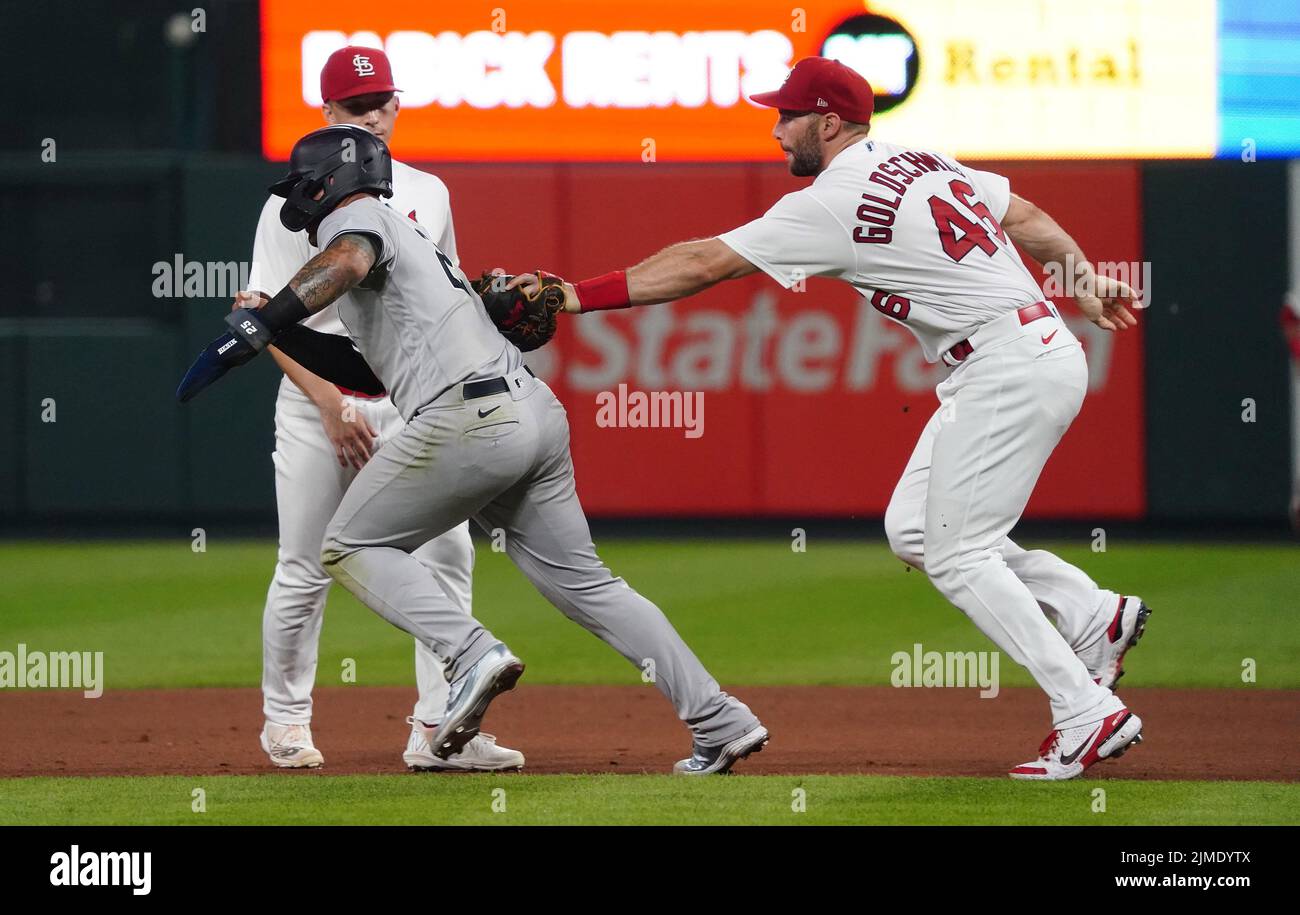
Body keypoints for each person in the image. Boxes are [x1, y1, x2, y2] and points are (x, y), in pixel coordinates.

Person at [524, 57, 1151, 780]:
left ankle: (1085, 711)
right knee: (915, 529)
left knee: (958, 552)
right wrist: (1081, 277)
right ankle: (1091, 613)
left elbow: (703, 262)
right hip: (1027, 351)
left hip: (1006, 366)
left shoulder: (833, 198)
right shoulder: (922, 158)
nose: (776, 130)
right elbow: (1029, 218)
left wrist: (574, 296)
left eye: (787, 116)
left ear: (827, 122)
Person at [182, 123, 769, 775]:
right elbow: (370, 372)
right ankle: (720, 718)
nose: (302, 206)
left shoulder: (358, 220)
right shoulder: (401, 234)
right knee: (589, 584)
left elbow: (346, 259)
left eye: (306, 191)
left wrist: (267, 319)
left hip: (470, 418)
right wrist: (275, 334)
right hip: (530, 411)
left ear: (328, 185)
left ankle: (469, 653)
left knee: (347, 545)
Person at [239, 45, 521, 772]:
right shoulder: (289, 203)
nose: (372, 117)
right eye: (354, 107)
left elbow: (444, 311)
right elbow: (263, 317)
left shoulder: (428, 191)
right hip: (317, 403)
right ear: (327, 114)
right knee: (304, 565)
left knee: (448, 553)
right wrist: (330, 404)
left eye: (380, 104)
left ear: (396, 106)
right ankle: (286, 721)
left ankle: (437, 728)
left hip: (412, 403)